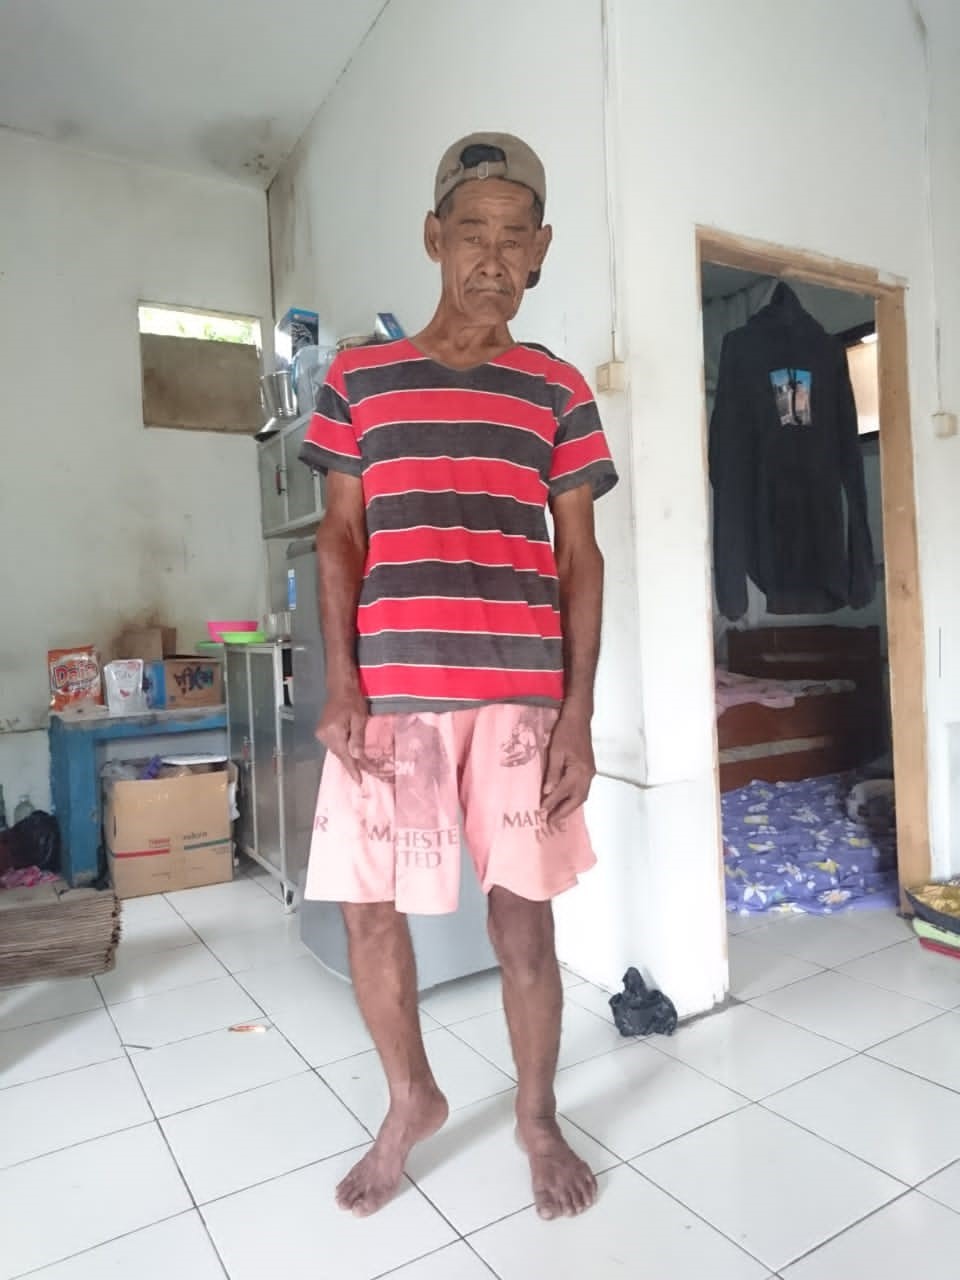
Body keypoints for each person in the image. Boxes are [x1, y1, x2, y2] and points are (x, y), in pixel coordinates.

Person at [299, 132, 618, 1221]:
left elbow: (580, 557)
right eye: (472, 231)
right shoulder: (358, 380)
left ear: (542, 251)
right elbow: (339, 538)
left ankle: (537, 1116)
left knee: (523, 924)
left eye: (514, 236)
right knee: (366, 912)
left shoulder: (557, 389)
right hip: (391, 697)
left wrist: (578, 713)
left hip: (522, 701)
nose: (493, 255)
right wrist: (341, 680)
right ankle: (412, 1099)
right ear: (434, 238)